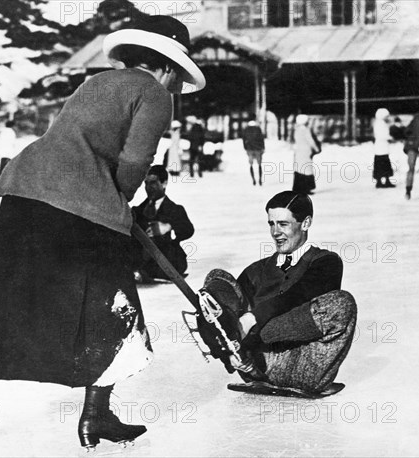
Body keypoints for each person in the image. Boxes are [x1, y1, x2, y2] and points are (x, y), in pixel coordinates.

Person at [0, 15, 205, 452]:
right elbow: (135, 160)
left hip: (24, 193)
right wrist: (119, 202)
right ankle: (96, 416)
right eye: (175, 75)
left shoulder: (97, 82)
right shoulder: (153, 93)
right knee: (114, 306)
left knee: (17, 297)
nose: (173, 83)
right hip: (80, 206)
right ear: (167, 65)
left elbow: (72, 138)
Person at [202, 191, 357, 394]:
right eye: (271, 224)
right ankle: (230, 347)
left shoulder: (326, 262)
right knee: (218, 279)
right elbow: (226, 310)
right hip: (258, 364)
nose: (275, 232)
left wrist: (251, 323)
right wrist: (230, 353)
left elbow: (298, 297)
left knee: (341, 303)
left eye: (283, 224)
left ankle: (242, 338)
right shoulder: (257, 270)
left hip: (306, 365)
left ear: (306, 223)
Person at [132, 165, 194, 283]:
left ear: (164, 184)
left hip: (168, 261)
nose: (149, 187)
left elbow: (188, 230)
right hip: (143, 261)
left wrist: (168, 227)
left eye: (153, 183)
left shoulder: (175, 209)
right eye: (147, 183)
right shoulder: (138, 210)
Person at [292, 115, 319, 195]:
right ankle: (307, 188)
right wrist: (316, 149)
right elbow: (310, 140)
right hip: (306, 151)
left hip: (298, 151)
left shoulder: (296, 130)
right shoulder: (306, 130)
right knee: (307, 169)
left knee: (299, 170)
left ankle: (298, 188)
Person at [372, 108, 395, 189]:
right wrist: (390, 138)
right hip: (381, 147)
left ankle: (381, 181)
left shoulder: (379, 123)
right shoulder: (380, 123)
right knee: (384, 164)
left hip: (381, 148)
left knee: (380, 165)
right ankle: (384, 181)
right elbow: (382, 135)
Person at [242, 118, 265, 186]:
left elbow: (243, 139)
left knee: (251, 164)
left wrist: (245, 147)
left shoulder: (246, 129)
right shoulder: (258, 128)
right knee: (259, 164)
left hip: (249, 149)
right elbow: (261, 138)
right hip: (258, 148)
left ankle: (253, 180)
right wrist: (263, 147)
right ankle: (260, 180)